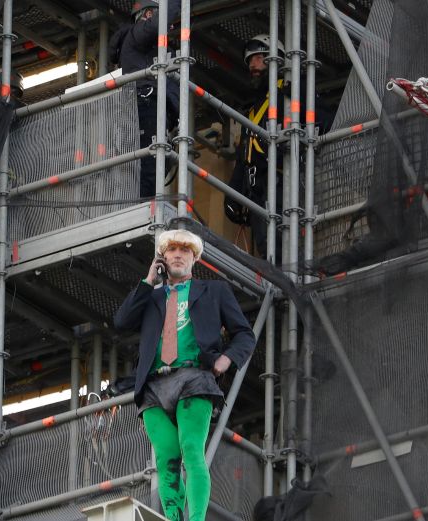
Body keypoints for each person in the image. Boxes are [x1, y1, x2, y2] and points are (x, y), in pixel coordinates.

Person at [114, 229, 255, 521]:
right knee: (166, 459)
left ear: (195, 258)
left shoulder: (214, 291)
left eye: (185, 250)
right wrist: (148, 281)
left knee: (191, 449)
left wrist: (227, 359)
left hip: (194, 377)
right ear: (163, 258)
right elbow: (122, 321)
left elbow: (245, 334)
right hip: (152, 385)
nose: (178, 254)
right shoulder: (150, 297)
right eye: (172, 250)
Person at [109, 0, 181, 198]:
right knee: (149, 168)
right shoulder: (137, 33)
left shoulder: (145, 46)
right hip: (146, 105)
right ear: (148, 15)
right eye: (160, 14)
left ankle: (145, 209)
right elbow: (158, 25)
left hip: (151, 107)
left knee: (155, 165)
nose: (169, 24)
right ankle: (144, 212)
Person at [224, 34, 286, 258]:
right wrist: (233, 195)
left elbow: (323, 123)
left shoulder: (291, 94)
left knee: (280, 244)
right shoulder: (254, 111)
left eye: (259, 57)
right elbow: (244, 157)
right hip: (258, 189)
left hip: (282, 183)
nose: (253, 65)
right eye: (250, 61)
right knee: (265, 245)